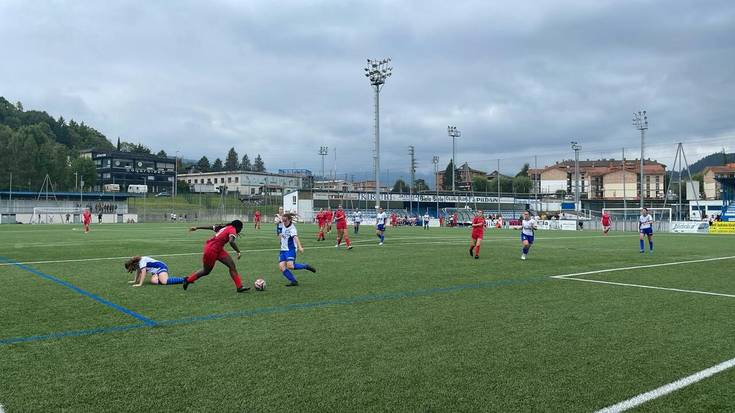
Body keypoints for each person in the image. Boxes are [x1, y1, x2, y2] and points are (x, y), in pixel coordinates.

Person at [182, 220, 249, 292]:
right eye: (241, 228)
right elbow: (231, 241)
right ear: (238, 227)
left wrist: (197, 227)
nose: (241, 230)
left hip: (219, 250)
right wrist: (238, 251)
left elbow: (211, 227)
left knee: (232, 266)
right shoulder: (232, 229)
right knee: (206, 271)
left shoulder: (226, 227)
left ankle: (239, 287)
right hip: (211, 250)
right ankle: (188, 280)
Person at [278, 213, 316, 286]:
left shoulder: (292, 228)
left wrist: (300, 247)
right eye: (283, 220)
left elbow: (296, 238)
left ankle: (305, 266)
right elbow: (279, 230)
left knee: (290, 266)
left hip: (290, 249)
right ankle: (294, 281)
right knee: (282, 267)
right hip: (283, 250)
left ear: (289, 220)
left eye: (285, 220)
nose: (283, 222)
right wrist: (280, 236)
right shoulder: (282, 224)